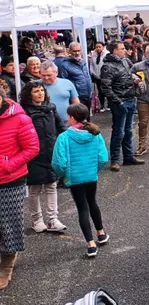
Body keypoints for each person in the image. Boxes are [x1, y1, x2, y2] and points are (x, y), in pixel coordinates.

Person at [52, 103, 109, 258]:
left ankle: (90, 244)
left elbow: (58, 162)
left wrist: (63, 174)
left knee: (82, 208)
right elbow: (103, 158)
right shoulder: (95, 133)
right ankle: (101, 233)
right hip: (91, 176)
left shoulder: (64, 137)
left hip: (74, 178)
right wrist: (93, 170)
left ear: (71, 118)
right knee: (92, 202)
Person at [0, 84, 40, 290]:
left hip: (10, 179)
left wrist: (8, 164)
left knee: (8, 221)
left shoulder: (20, 119)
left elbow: (32, 147)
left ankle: (7, 259)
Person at [20, 81, 67, 234]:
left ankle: (53, 219)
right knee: (34, 188)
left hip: (51, 153)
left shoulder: (51, 109)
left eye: (41, 90)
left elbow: (62, 129)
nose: (40, 93)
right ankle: (37, 220)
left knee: (51, 186)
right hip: (33, 156)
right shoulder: (24, 112)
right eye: (36, 91)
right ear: (29, 95)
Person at [100, 41, 142, 172]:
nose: (125, 50)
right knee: (119, 132)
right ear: (114, 51)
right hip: (120, 101)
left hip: (130, 98)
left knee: (129, 130)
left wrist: (135, 79)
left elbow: (131, 73)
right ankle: (115, 160)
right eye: (122, 49)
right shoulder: (107, 66)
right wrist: (118, 102)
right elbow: (105, 88)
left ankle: (128, 157)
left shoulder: (126, 61)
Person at [88, 42, 107, 112]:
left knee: (106, 90)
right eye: (97, 47)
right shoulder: (93, 55)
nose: (98, 48)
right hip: (97, 76)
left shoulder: (106, 54)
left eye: (99, 47)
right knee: (100, 91)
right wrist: (93, 73)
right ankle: (101, 105)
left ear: (103, 47)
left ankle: (108, 105)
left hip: (105, 76)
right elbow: (92, 65)